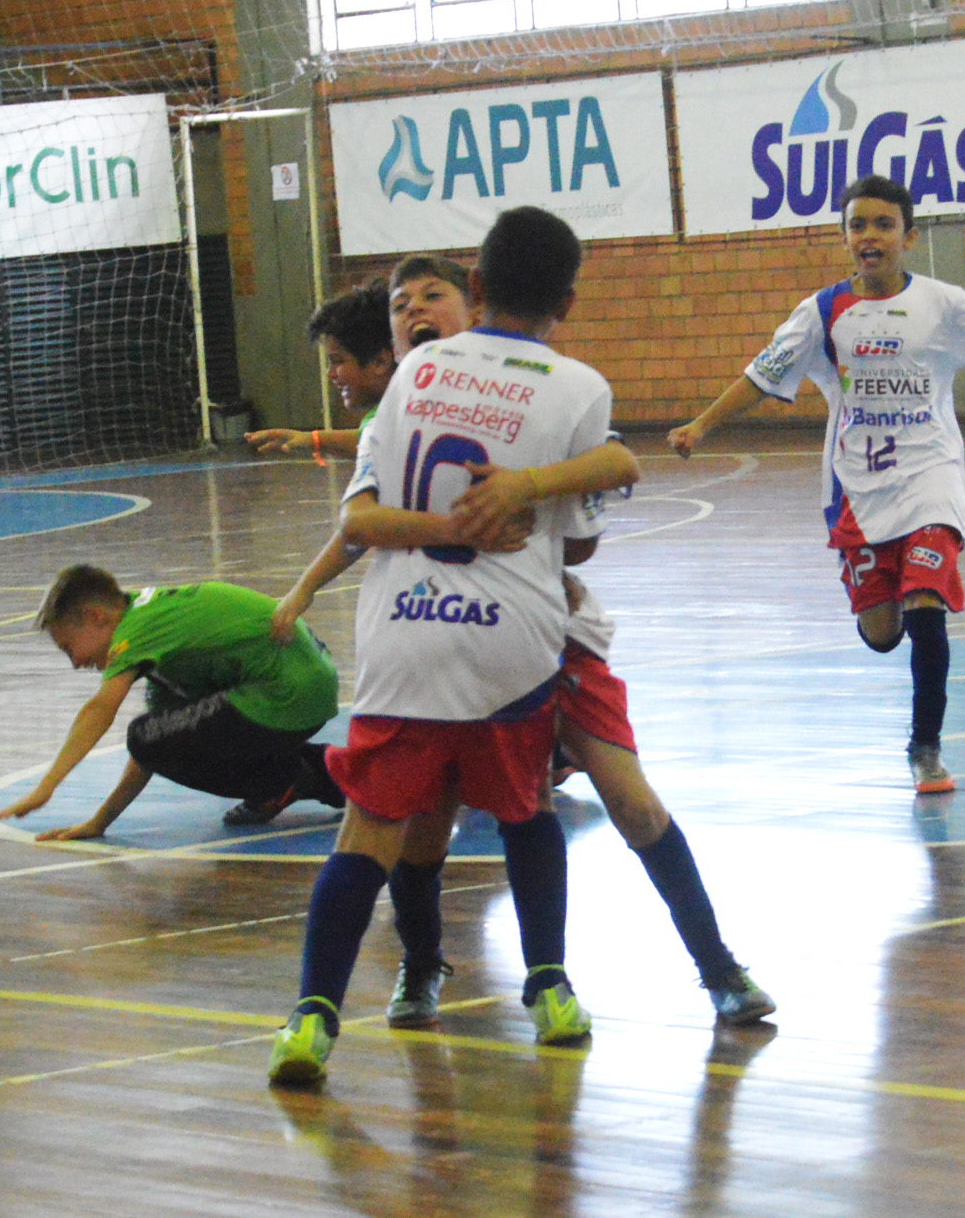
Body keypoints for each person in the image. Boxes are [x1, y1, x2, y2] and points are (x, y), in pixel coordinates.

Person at [270, 256, 775, 1030]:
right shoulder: (398, 414)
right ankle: (422, 966)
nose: (413, 312)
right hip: (440, 639)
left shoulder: (531, 391)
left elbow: (609, 473)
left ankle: (716, 968)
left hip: (547, 635)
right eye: (399, 306)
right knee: (424, 822)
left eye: (429, 297)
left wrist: (530, 492)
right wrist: (307, 588)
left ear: (473, 307)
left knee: (629, 804)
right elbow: (360, 525)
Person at [271, 205, 632, 1087]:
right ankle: (548, 986)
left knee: (370, 835)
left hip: (404, 638)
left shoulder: (419, 370)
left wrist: (441, 522)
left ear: (475, 288)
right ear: (570, 302)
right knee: (525, 813)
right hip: (509, 638)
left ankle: (313, 1018)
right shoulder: (579, 388)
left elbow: (357, 520)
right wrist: (524, 499)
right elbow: (581, 541)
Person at [667, 174, 965, 795]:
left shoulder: (943, 304)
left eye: (883, 224)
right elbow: (762, 376)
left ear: (909, 236)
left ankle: (926, 749)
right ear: (844, 239)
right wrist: (702, 424)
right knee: (881, 633)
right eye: (858, 226)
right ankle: (876, 600)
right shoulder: (822, 312)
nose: (870, 236)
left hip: (931, 478)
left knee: (926, 605)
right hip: (858, 487)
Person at [0, 567, 348, 842]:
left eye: (69, 648)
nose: (75, 663)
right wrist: (100, 822)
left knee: (145, 735)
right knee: (154, 737)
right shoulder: (157, 637)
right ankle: (337, 776)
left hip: (286, 691)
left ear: (94, 616)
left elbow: (100, 711)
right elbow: (151, 752)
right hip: (301, 688)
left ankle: (286, 776)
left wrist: (47, 787)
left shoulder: (138, 628)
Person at [245, 279, 394, 461]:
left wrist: (315, 440)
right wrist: (314, 440)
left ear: (380, 361)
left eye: (338, 361)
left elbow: (381, 442)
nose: (330, 374)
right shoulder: (381, 417)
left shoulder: (416, 409)